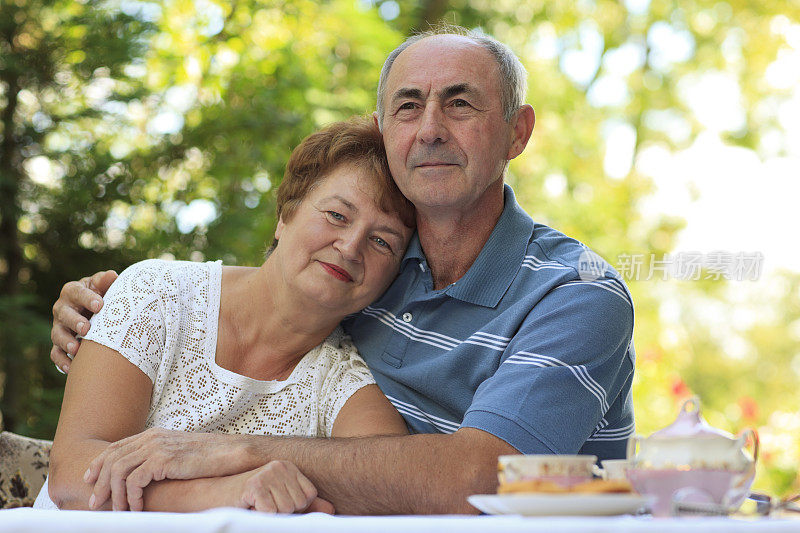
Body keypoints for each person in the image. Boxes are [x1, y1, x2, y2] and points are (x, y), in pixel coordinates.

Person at [49, 26, 635, 515]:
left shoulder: (577, 293)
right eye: (408, 105)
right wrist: (112, 302)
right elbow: (269, 284)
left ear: (517, 131)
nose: (430, 128)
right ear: (386, 132)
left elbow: (482, 480)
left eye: (460, 103)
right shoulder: (370, 272)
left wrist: (238, 453)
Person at [35, 118, 415, 512]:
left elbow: (389, 487)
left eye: (382, 241)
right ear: (285, 215)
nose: (351, 247)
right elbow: (73, 477)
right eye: (337, 215)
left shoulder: (345, 379)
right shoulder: (158, 295)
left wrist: (246, 462)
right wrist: (227, 493)